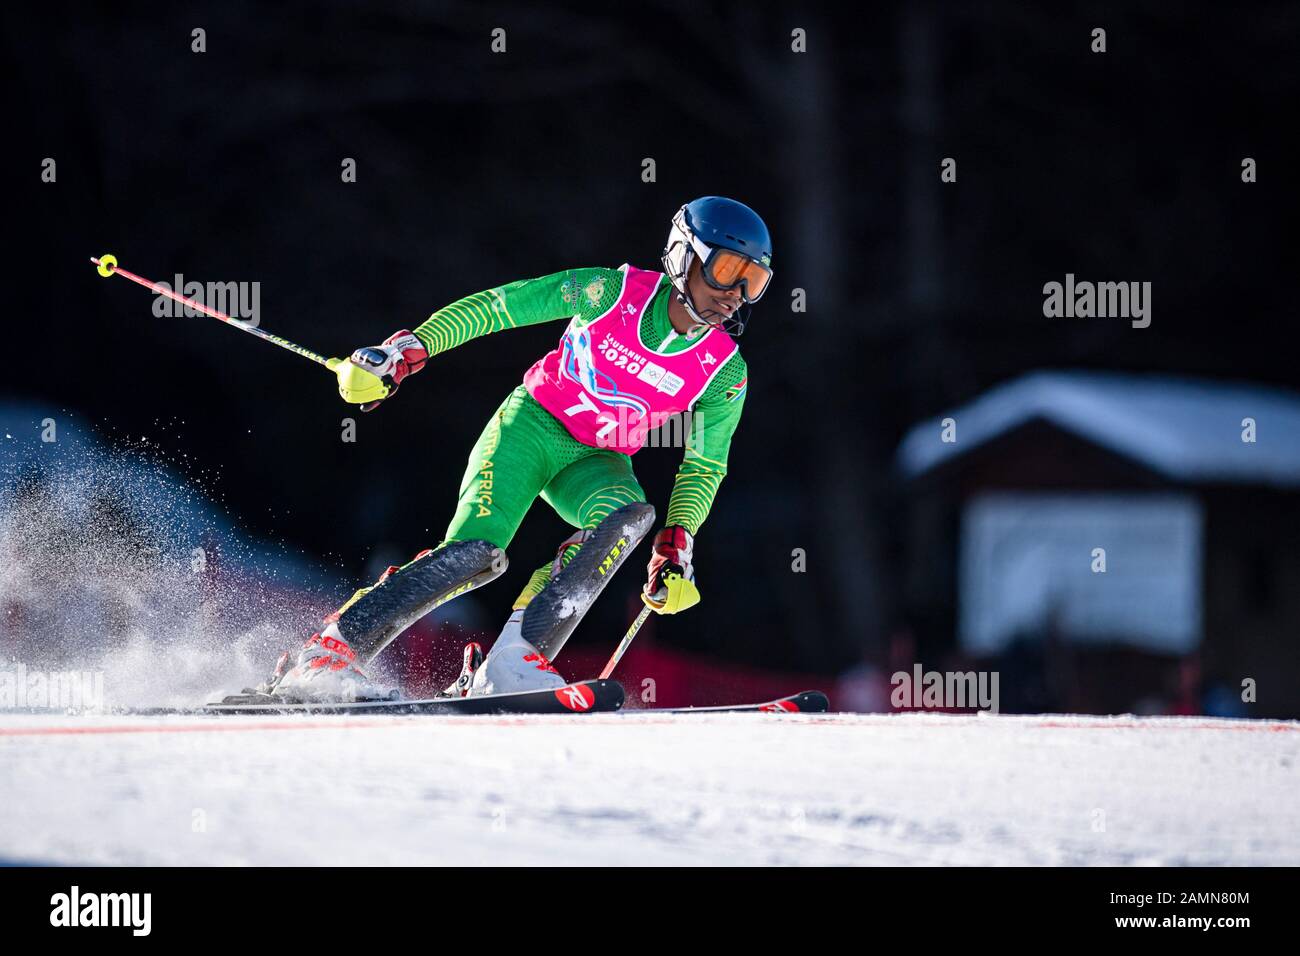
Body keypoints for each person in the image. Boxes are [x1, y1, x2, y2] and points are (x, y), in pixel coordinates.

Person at [261, 196, 773, 701]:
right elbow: (500, 307)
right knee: (474, 555)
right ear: (683, 256)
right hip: (530, 426)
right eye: (727, 269)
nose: (736, 294)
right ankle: (330, 652)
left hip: (595, 461)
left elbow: (704, 464)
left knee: (628, 519)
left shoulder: (725, 370)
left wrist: (678, 540)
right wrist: (406, 351)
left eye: (755, 280)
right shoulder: (610, 292)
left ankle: (514, 660)